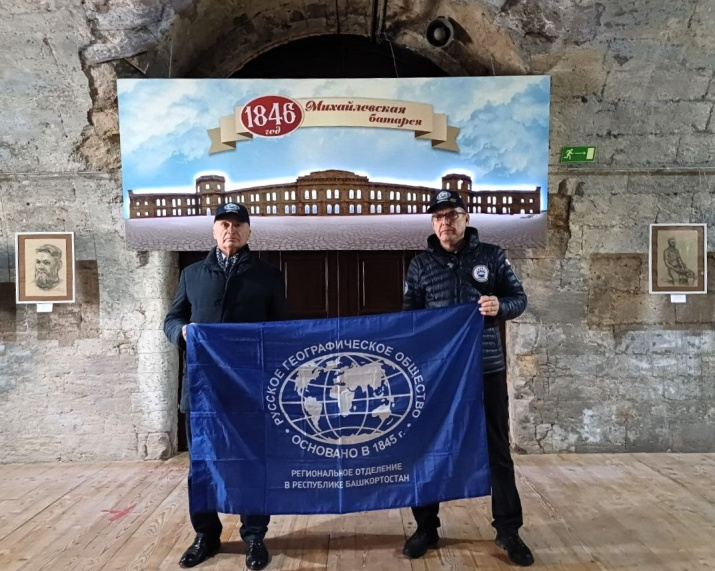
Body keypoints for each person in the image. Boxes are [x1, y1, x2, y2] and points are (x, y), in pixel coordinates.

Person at [402, 190, 534, 567]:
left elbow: (519, 298)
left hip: (484, 366)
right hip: (438, 373)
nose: (445, 222)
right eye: (438, 217)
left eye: (452, 215)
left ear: (466, 218)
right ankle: (426, 527)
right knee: (428, 448)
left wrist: (500, 305)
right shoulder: (420, 265)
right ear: (433, 224)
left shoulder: (492, 256)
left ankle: (508, 529)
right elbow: (409, 316)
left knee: (497, 450)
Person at [164, 202, 288, 570]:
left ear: (249, 232)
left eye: (237, 225)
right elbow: (172, 319)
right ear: (214, 230)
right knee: (202, 465)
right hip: (201, 391)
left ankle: (255, 536)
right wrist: (182, 332)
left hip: (249, 389)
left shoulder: (268, 276)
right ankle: (206, 535)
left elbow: (281, 330)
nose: (230, 231)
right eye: (224, 224)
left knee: (252, 462)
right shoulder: (192, 274)